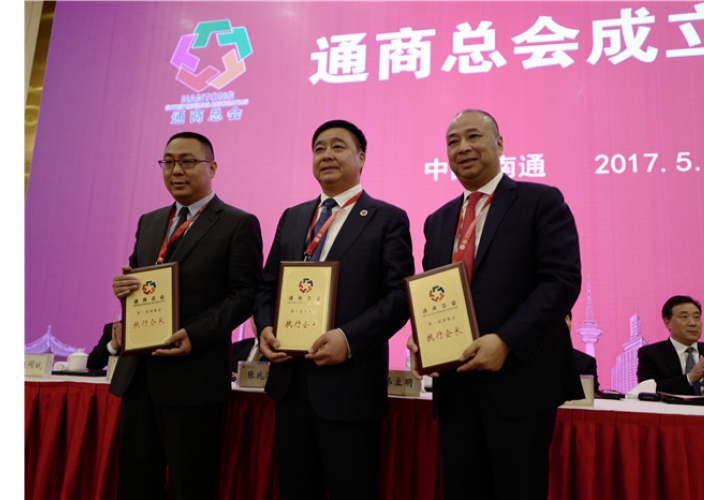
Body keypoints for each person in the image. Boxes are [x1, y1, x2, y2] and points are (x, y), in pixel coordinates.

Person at [407, 109, 583, 500]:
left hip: (520, 382)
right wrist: (423, 340)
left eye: (473, 136)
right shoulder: (438, 221)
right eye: (453, 141)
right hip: (456, 387)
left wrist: (505, 341)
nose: (462, 147)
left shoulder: (540, 201)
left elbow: (561, 281)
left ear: (499, 144)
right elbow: (435, 295)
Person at [254, 119, 414, 500]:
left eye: (338, 146)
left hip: (350, 389)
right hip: (291, 385)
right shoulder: (293, 217)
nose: (326, 154)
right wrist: (264, 328)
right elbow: (266, 287)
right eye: (319, 148)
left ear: (362, 158)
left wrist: (348, 338)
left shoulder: (387, 218)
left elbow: (398, 297)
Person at [110, 131, 264, 500]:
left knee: (190, 486)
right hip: (139, 376)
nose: (176, 170)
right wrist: (124, 292)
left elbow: (246, 294)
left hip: (194, 379)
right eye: (168, 162)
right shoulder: (150, 221)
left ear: (212, 167)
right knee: (134, 486)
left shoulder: (237, 223)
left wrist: (194, 334)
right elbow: (140, 280)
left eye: (187, 161)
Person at [636, 295, 704, 398]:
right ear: (667, 322)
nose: (693, 323)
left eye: (697, 317)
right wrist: (690, 378)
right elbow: (648, 390)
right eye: (684, 317)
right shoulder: (651, 354)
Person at [566, 313, 600, 393]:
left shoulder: (586, 362)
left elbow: (591, 394)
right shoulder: (535, 357)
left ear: (570, 325)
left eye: (564, 318)